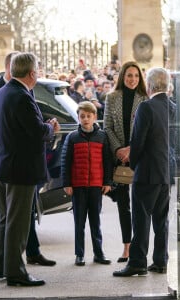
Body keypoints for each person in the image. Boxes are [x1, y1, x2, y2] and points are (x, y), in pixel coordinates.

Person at [0, 51, 56, 266]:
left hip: (5, 165)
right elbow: (36, 131)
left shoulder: (4, 92)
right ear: (31, 73)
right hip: (18, 168)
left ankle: (1, 266)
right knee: (15, 223)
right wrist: (50, 128)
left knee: (7, 220)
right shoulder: (18, 94)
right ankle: (15, 271)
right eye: (37, 71)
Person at [113, 67, 170, 277]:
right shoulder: (170, 106)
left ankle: (137, 262)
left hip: (147, 172)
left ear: (150, 84)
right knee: (161, 220)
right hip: (164, 172)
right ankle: (161, 260)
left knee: (141, 218)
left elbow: (138, 142)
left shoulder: (147, 107)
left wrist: (133, 163)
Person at [103, 61, 147, 263]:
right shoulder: (112, 98)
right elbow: (107, 127)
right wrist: (119, 149)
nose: (133, 79)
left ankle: (140, 248)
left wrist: (132, 149)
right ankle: (127, 247)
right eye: (129, 75)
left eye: (136, 76)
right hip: (119, 158)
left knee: (140, 205)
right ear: (123, 76)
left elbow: (147, 130)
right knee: (123, 205)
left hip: (139, 157)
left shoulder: (145, 99)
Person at [61, 101, 112, 266]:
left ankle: (99, 253)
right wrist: (67, 183)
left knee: (95, 221)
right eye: (82, 116)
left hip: (96, 185)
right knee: (79, 222)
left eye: (88, 116)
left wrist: (107, 182)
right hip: (78, 186)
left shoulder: (102, 136)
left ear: (94, 117)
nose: (85, 119)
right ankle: (79, 254)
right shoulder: (72, 137)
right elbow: (66, 162)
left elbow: (107, 161)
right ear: (78, 117)